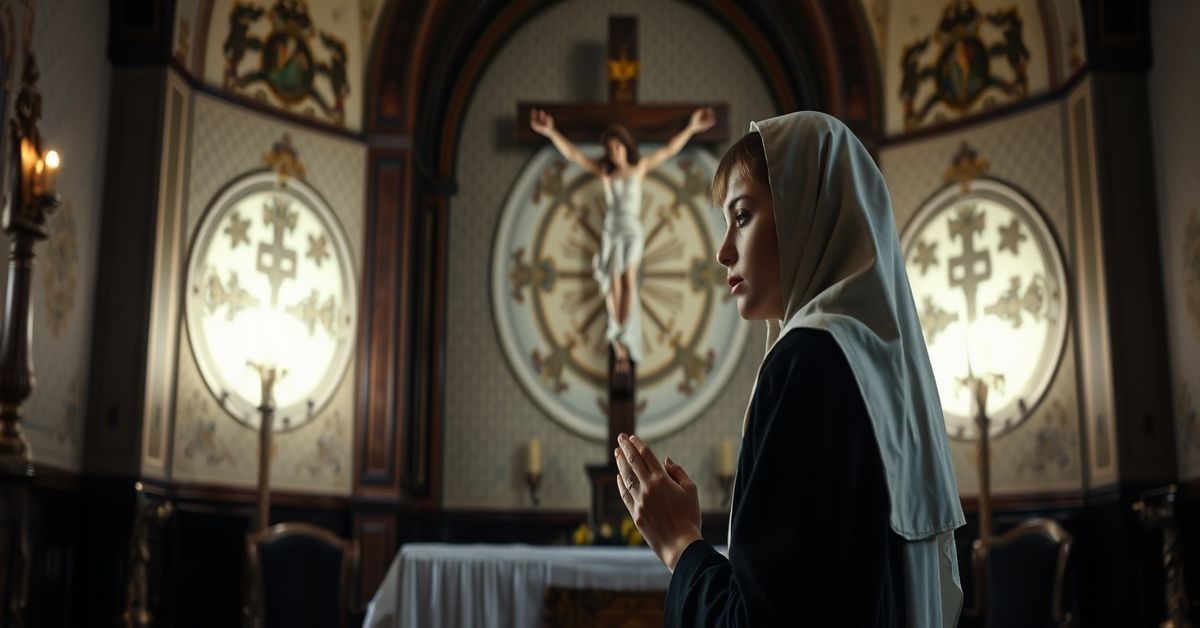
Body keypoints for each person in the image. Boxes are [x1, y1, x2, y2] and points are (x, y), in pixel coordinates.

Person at [612, 111, 965, 627]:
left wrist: (679, 544)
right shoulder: (883, 372)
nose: (722, 251)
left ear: (806, 215)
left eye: (743, 215)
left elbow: (763, 621)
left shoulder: (807, 363)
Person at [530, 107, 716, 368]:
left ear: (626, 147)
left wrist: (692, 128)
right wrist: (550, 131)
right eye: (610, 148)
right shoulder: (606, 173)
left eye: (618, 146)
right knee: (612, 281)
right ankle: (619, 335)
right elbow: (574, 154)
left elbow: (669, 150)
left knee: (628, 278)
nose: (614, 152)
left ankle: (622, 334)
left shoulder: (639, 168)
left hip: (632, 231)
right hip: (611, 232)